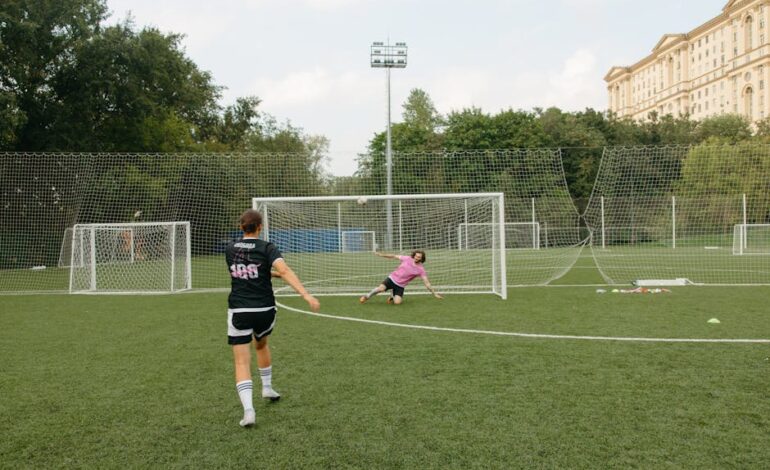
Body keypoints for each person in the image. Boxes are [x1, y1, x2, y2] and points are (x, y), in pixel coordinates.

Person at [225, 209, 320, 428]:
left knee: (241, 361)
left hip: (240, 310)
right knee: (261, 344)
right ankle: (267, 387)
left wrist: (271, 273)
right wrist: (306, 295)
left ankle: (249, 411)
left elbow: (246, 270)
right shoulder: (267, 247)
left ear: (241, 227)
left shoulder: (230, 249)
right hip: (265, 309)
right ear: (260, 227)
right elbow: (283, 270)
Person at [359, 250, 443, 305]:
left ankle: (392, 295)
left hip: (400, 285)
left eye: (419, 257)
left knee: (397, 303)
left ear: (422, 259)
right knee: (381, 289)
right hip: (392, 279)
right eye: (416, 256)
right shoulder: (407, 258)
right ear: (414, 255)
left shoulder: (420, 269)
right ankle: (366, 296)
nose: (416, 258)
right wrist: (381, 255)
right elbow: (393, 256)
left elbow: (427, 283)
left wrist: (434, 294)